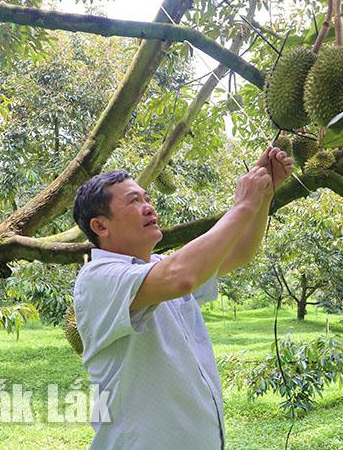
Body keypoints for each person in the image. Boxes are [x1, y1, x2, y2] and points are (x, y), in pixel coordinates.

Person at [72, 146, 294, 450]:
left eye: (147, 198)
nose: (149, 207)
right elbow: (182, 277)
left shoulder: (158, 268)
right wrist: (242, 205)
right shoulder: (97, 278)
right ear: (101, 226)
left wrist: (263, 196)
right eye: (134, 201)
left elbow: (239, 252)